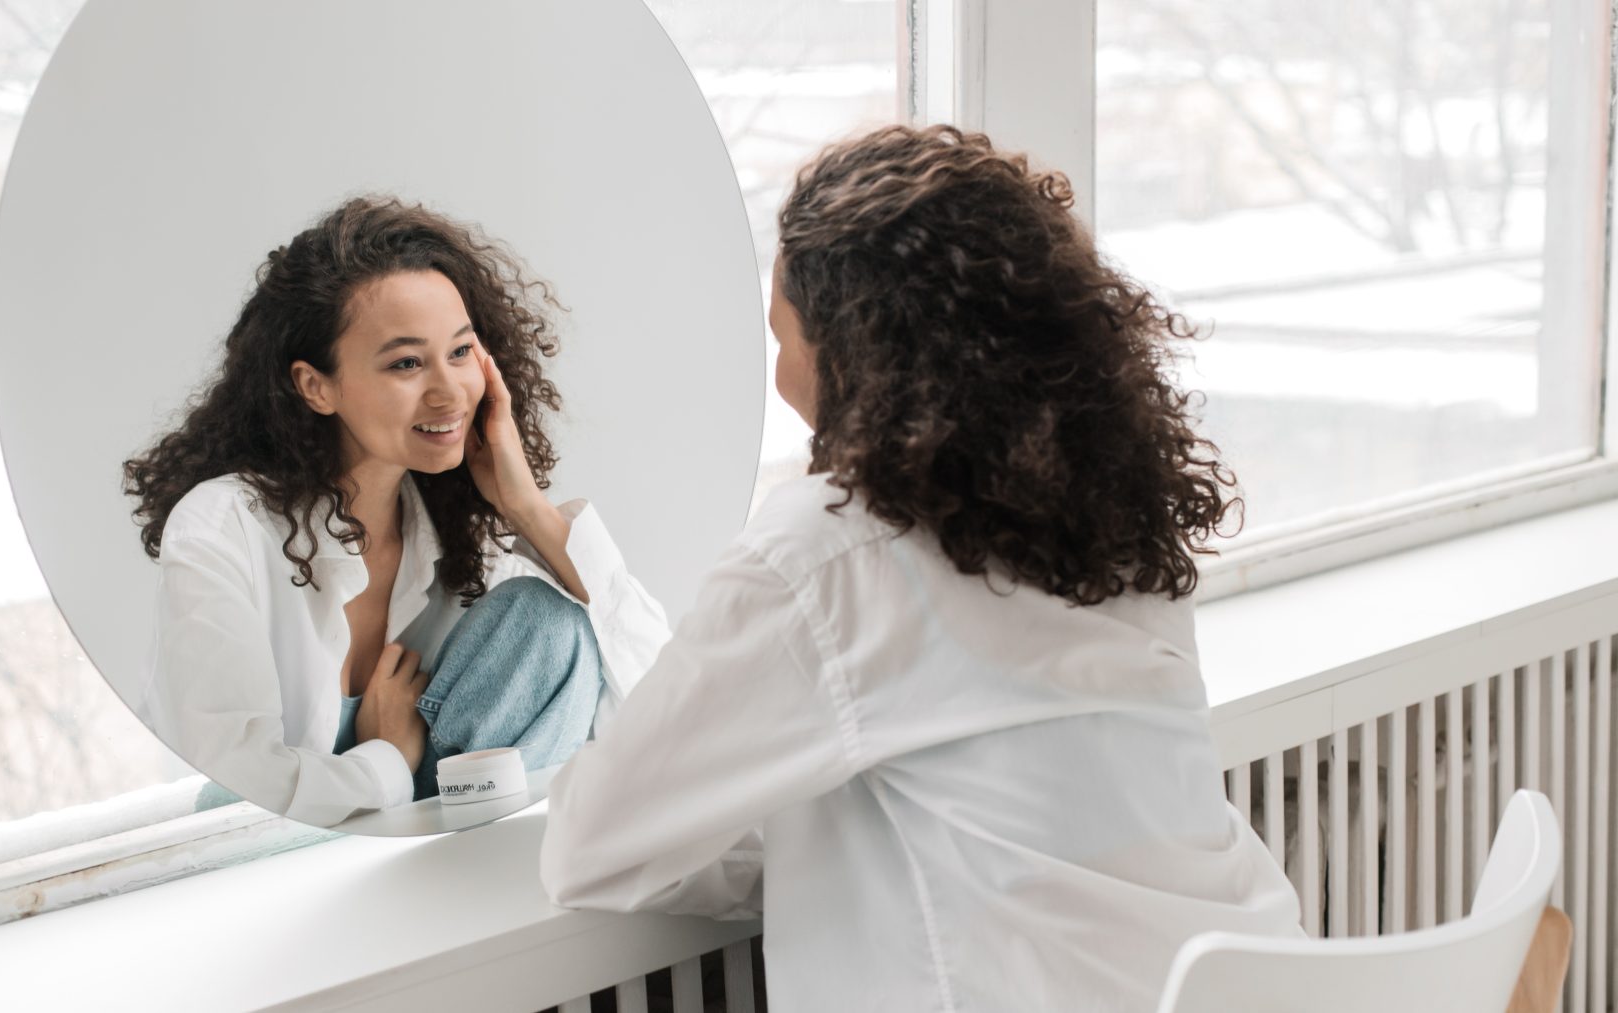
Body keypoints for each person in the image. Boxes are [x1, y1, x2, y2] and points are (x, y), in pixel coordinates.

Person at [539, 125, 1302, 1011]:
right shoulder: (1112, 527)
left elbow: (589, 844)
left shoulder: (828, 552)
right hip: (1262, 973)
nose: (779, 374)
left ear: (854, 355)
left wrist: (797, 837)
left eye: (781, 337)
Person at [123, 196, 669, 828]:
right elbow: (239, 789)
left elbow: (657, 701)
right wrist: (384, 756)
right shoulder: (223, 527)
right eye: (407, 363)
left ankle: (473, 892)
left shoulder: (456, 527)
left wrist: (525, 507)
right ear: (315, 386)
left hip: (441, 857)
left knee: (550, 623)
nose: (448, 391)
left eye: (461, 353)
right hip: (269, 870)